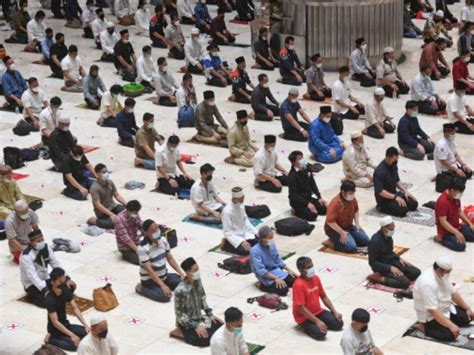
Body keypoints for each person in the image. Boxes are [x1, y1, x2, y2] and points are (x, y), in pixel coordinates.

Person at [413, 255, 473, 342]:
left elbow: (453, 293)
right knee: (450, 335)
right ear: (439, 270)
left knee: (466, 318)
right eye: (447, 271)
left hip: (445, 307)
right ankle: (422, 326)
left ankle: (445, 323)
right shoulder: (426, 283)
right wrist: (451, 326)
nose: (449, 273)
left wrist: (467, 308)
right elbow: (432, 310)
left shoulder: (442, 274)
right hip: (431, 315)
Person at [174, 257, 223, 347]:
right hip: (187, 323)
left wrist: (210, 314)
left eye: (198, 269)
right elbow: (180, 315)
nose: (198, 272)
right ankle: (181, 332)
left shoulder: (198, 281)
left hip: (199, 318)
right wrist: (195, 326)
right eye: (195, 270)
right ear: (188, 272)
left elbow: (202, 298)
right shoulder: (180, 290)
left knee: (221, 326)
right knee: (205, 339)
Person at [20, 229, 76, 308]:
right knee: (48, 302)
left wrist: (66, 278)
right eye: (38, 241)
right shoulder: (26, 256)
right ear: (31, 242)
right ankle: (32, 296)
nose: (41, 242)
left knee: (71, 287)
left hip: (46, 279)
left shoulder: (46, 248)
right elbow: (32, 276)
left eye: (42, 240)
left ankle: (53, 295)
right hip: (32, 284)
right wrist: (45, 290)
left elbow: (55, 263)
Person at [293, 256, 343, 340]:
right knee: (321, 333)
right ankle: (306, 327)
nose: (312, 268)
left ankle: (319, 322)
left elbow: (324, 296)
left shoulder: (316, 278)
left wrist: (334, 312)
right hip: (303, 317)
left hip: (318, 311)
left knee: (339, 323)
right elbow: (301, 308)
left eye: (312, 266)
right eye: (309, 267)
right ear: (302, 271)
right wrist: (317, 321)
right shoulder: (298, 285)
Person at [135, 219, 185, 302]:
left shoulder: (163, 240)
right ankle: (141, 288)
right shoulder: (142, 248)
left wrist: (181, 273)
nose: (157, 231)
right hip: (149, 280)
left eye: (157, 228)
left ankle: (165, 284)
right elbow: (149, 270)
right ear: (146, 233)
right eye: (153, 230)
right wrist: (162, 285)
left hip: (164, 275)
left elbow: (170, 258)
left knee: (185, 285)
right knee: (165, 297)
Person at [368, 216, 421, 289]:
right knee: (404, 283)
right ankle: (379, 278)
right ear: (383, 228)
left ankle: (398, 276)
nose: (392, 231)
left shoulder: (388, 237)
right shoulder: (375, 241)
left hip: (392, 261)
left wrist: (399, 258)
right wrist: (390, 268)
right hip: (382, 267)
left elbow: (390, 252)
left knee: (416, 272)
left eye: (393, 228)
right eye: (391, 229)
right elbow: (372, 262)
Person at [45, 267, 88, 351]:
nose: (62, 282)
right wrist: (72, 335)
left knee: (88, 333)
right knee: (74, 346)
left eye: (63, 279)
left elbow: (75, 307)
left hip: (66, 325)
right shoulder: (50, 299)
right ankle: (50, 339)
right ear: (53, 282)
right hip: (55, 330)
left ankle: (67, 335)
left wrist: (85, 325)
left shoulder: (65, 288)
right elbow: (55, 322)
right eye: (59, 281)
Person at [250, 226, 297, 296]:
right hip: (265, 275)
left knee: (296, 281)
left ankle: (282, 281)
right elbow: (261, 270)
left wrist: (289, 270)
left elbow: (277, 259)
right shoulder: (255, 251)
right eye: (270, 238)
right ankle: (261, 286)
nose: (272, 240)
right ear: (262, 239)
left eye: (272, 238)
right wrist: (276, 278)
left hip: (275, 271)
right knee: (283, 290)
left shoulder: (271, 244)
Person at [324, 181, 369, 253]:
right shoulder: (335, 203)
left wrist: (357, 224)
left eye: (353, 193)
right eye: (350, 193)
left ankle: (350, 238)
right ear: (343, 192)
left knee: (366, 240)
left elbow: (356, 210)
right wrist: (341, 232)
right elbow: (330, 221)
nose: (352, 195)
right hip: (334, 230)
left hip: (349, 227)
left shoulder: (352, 199)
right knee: (351, 248)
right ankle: (331, 243)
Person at [374, 147, 418, 217]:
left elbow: (397, 180)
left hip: (394, 193)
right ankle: (381, 208)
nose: (395, 162)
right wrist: (395, 197)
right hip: (384, 199)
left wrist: (405, 191)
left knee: (413, 204)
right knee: (403, 210)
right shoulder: (380, 171)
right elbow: (380, 191)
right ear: (388, 158)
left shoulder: (393, 165)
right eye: (394, 160)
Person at [435, 179, 474, 251]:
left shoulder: (455, 197)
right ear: (452, 191)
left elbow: (459, 211)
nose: (460, 195)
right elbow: (443, 222)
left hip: (457, 226)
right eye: (459, 193)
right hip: (446, 231)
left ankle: (461, 235)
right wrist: (457, 233)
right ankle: (441, 239)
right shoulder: (443, 201)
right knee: (461, 246)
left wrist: (469, 223)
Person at [287, 150, 327, 221]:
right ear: (294, 162)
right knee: (313, 216)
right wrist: (307, 204)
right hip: (297, 201)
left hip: (307, 197)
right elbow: (293, 195)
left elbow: (312, 182)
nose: (302, 160)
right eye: (299, 159)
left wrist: (319, 197)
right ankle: (296, 211)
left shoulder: (307, 168)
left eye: (302, 157)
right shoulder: (292, 176)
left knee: (324, 209)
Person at [434, 123, 472, 192]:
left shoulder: (451, 141)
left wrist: (463, 165)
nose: (454, 135)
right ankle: (438, 177)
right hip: (445, 169)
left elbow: (455, 154)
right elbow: (444, 162)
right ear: (446, 133)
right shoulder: (441, 145)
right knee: (460, 182)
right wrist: (457, 170)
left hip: (454, 165)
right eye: (452, 133)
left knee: (469, 173)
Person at [87, 164, 126, 229]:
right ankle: (94, 221)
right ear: (97, 174)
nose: (106, 174)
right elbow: (98, 205)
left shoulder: (110, 182)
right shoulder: (94, 188)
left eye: (107, 172)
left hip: (113, 206)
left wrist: (126, 203)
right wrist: (111, 214)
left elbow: (117, 195)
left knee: (129, 215)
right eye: (104, 172)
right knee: (115, 224)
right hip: (102, 212)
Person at [221, 187, 258, 255]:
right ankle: (226, 243)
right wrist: (241, 242)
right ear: (234, 199)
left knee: (260, 243)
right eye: (240, 199)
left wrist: (256, 232)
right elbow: (227, 232)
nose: (242, 199)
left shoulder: (241, 206)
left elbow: (246, 221)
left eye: (242, 197)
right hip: (235, 238)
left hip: (245, 234)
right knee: (246, 251)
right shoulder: (227, 212)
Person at [5, 200, 39, 264]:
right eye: (22, 212)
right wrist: (25, 251)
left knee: (41, 254)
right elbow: (12, 240)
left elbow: (35, 227)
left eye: (26, 210)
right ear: (16, 212)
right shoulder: (9, 221)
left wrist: (39, 240)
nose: (25, 213)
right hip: (17, 246)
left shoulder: (30, 212)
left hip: (29, 241)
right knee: (28, 261)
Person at [114, 200, 143, 265]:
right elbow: (126, 239)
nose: (136, 214)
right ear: (128, 210)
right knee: (142, 260)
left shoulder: (135, 213)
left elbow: (140, 224)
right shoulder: (119, 219)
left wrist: (147, 230)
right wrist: (139, 251)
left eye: (137, 212)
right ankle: (126, 255)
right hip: (125, 247)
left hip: (136, 241)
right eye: (134, 212)